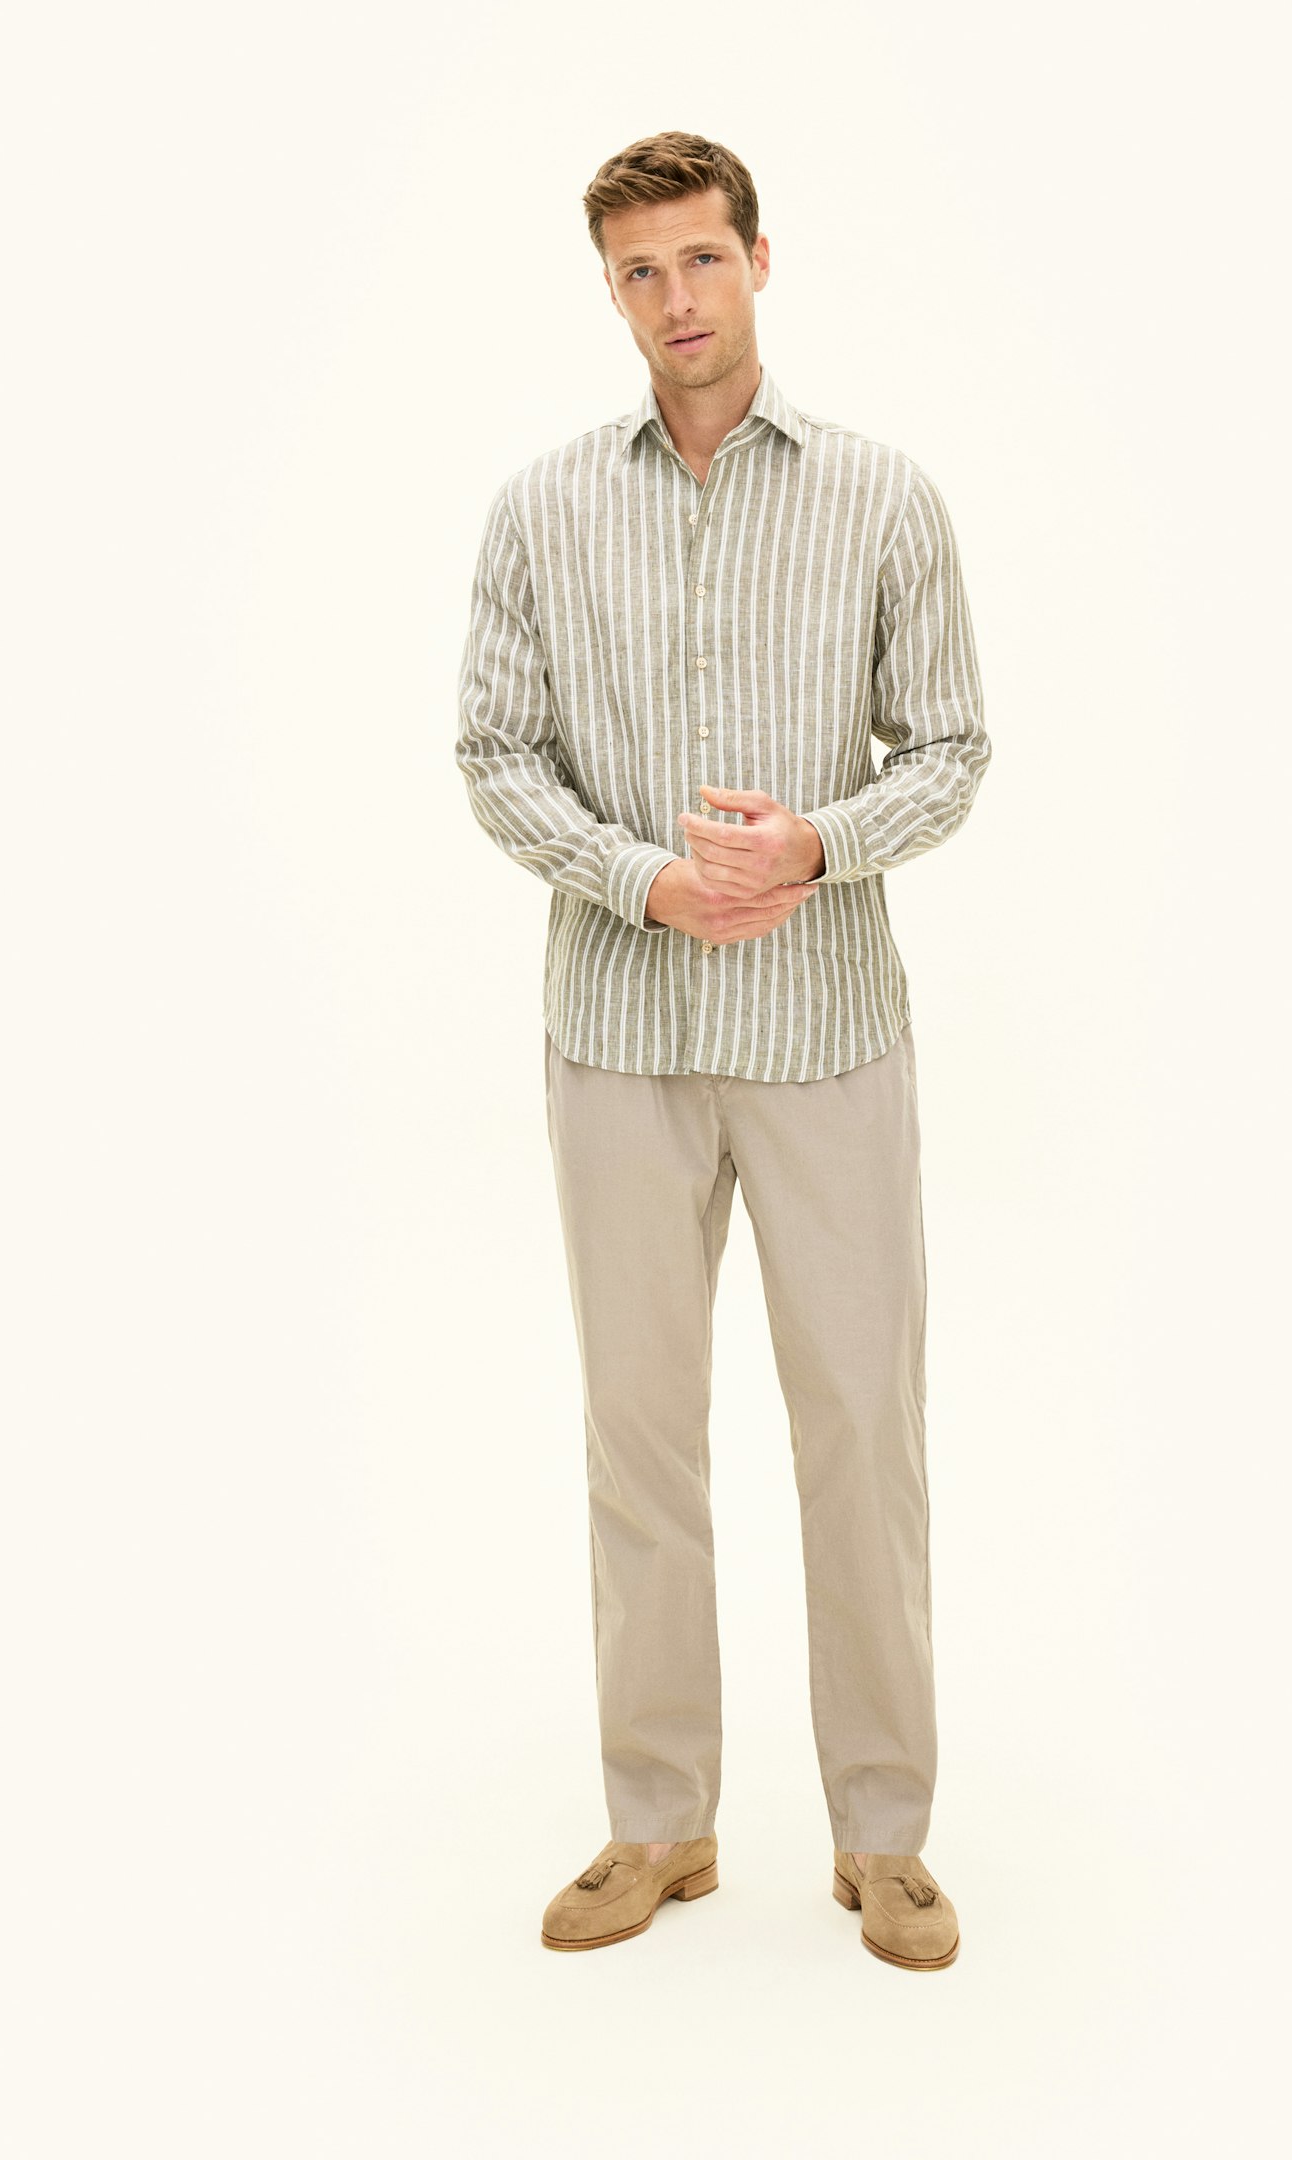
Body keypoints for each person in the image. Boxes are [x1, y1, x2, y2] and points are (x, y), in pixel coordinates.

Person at [454, 129, 991, 1971]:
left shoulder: (883, 497)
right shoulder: (540, 508)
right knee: (638, 1438)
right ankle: (658, 1822)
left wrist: (815, 846)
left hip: (826, 1033)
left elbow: (951, 748)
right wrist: (646, 881)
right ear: (608, 290)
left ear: (761, 258)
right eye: (639, 271)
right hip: (619, 1033)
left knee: (862, 1430)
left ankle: (886, 1839)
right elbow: (494, 755)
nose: (674, 299)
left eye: (700, 258)